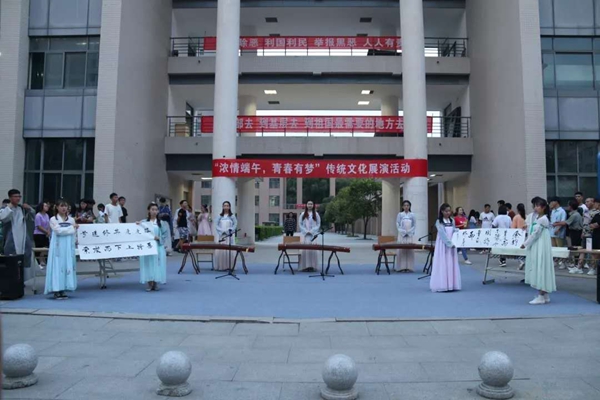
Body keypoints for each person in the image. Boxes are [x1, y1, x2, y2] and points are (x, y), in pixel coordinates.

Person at [521, 197, 556, 305]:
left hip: (540, 245)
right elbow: (532, 229)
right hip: (538, 244)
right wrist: (526, 227)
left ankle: (541, 295)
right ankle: (544, 294)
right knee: (541, 266)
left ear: (543, 207)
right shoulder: (538, 218)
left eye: (538, 206)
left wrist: (525, 243)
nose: (536, 208)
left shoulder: (543, 219)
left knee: (540, 267)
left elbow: (535, 234)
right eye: (535, 206)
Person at [44, 199, 78, 300]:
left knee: (67, 265)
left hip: (68, 246)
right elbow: (58, 231)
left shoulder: (71, 220)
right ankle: (56, 289)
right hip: (58, 246)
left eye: (65, 206)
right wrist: (72, 228)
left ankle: (64, 288)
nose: (64, 208)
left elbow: (74, 233)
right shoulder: (53, 219)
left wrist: (74, 240)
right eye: (61, 206)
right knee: (57, 266)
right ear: (57, 207)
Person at [0, 189, 35, 273]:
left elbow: (33, 216)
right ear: (10, 197)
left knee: (24, 258)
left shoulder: (22, 208)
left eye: (19, 196)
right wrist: (9, 207)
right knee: (11, 258)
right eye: (15, 196)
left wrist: (29, 208)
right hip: (11, 237)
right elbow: (3, 218)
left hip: (23, 236)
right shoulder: (5, 208)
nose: (18, 198)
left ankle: (22, 277)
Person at [430, 203, 461, 293]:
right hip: (443, 245)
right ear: (442, 211)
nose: (448, 213)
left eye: (449, 211)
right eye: (446, 211)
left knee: (451, 262)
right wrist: (449, 243)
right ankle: (442, 284)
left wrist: (458, 232)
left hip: (452, 244)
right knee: (443, 262)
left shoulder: (452, 220)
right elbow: (442, 234)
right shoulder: (439, 221)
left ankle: (451, 284)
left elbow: (453, 229)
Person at [138, 203, 168, 291]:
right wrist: (137, 225)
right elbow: (139, 232)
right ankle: (149, 282)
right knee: (148, 263)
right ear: (149, 210)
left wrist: (159, 238)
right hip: (147, 247)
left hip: (157, 246)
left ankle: (155, 282)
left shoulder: (161, 223)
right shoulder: (144, 222)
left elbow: (165, 234)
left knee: (157, 264)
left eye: (156, 210)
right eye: (152, 209)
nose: (154, 211)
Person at [554, 200, 584, 274]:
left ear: (570, 206)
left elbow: (566, 222)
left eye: (568, 205)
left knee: (576, 248)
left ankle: (578, 266)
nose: (567, 207)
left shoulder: (575, 215)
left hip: (576, 232)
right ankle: (576, 265)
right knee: (574, 248)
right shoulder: (574, 214)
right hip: (574, 232)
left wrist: (556, 224)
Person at [214, 201, 238, 271]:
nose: (226, 207)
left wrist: (229, 231)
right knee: (222, 249)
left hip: (229, 235)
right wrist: (221, 231)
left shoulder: (232, 216)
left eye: (227, 206)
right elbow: (216, 224)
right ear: (223, 207)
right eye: (224, 206)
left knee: (229, 249)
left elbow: (235, 225)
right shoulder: (220, 216)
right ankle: (221, 266)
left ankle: (230, 266)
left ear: (229, 207)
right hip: (222, 235)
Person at [299, 201, 321, 272]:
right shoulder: (303, 214)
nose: (310, 205)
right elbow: (300, 224)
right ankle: (305, 266)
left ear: (313, 205)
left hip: (313, 235)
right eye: (308, 204)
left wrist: (312, 231)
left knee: (313, 250)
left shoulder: (316, 214)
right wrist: (306, 231)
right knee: (305, 251)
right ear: (306, 205)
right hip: (305, 235)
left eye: (311, 204)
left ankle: (312, 266)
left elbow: (318, 224)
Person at [396, 200, 416, 272]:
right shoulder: (400, 214)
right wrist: (403, 232)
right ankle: (401, 267)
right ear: (402, 207)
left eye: (408, 205)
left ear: (410, 206)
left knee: (409, 250)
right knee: (402, 250)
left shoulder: (412, 215)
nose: (406, 207)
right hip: (402, 235)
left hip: (410, 235)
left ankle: (409, 267)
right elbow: (398, 224)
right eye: (405, 205)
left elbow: (414, 225)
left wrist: (409, 232)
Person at [549, 196, 567, 269]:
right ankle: (555, 261)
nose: (551, 203)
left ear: (556, 202)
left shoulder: (562, 211)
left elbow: (563, 222)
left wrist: (558, 228)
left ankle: (563, 262)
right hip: (552, 231)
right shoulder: (553, 211)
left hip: (559, 232)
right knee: (554, 247)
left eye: (552, 201)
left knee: (560, 247)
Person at [33, 202, 51, 268]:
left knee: (45, 247)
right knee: (40, 248)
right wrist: (46, 231)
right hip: (38, 234)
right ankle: (39, 262)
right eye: (45, 206)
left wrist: (48, 231)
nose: (47, 207)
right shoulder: (38, 215)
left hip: (45, 234)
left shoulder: (47, 215)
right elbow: (38, 226)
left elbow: (48, 224)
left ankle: (43, 260)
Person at [512, 203, 528, 270]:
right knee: (525, 249)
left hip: (518, 235)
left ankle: (521, 261)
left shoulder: (516, 217)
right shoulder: (527, 216)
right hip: (526, 234)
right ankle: (525, 260)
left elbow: (513, 228)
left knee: (518, 249)